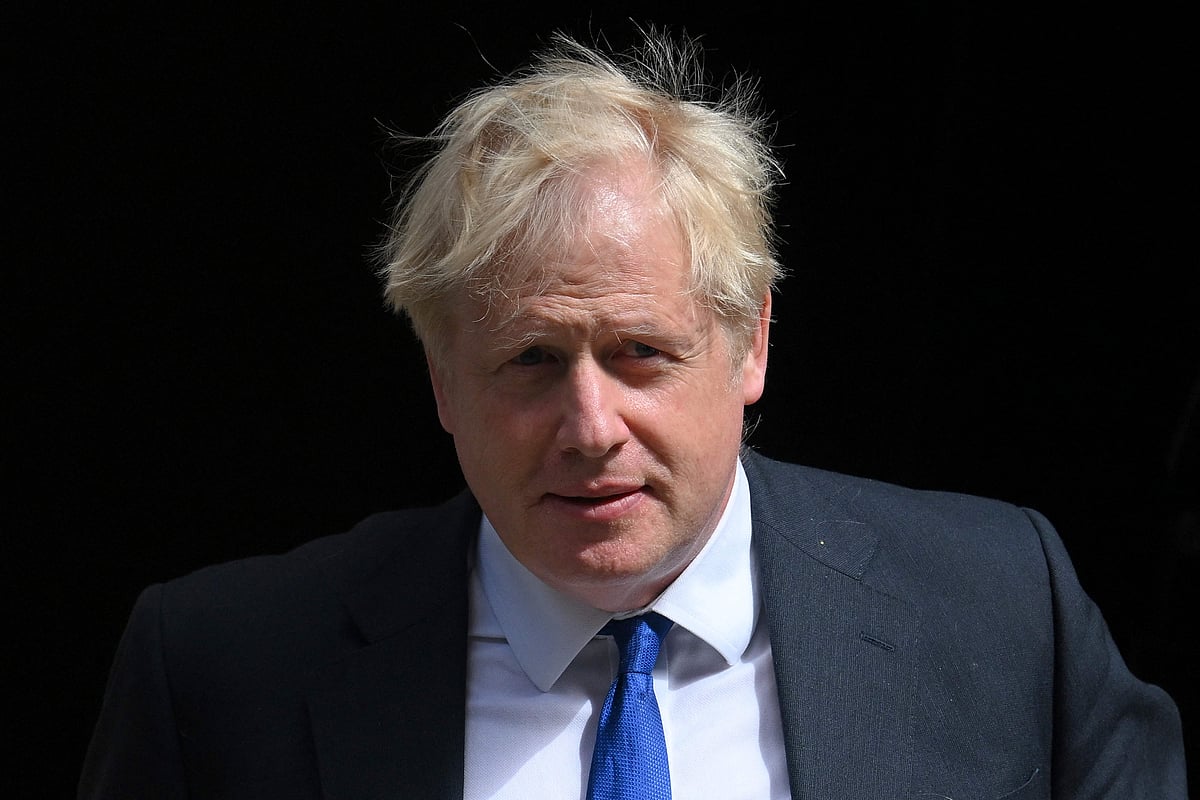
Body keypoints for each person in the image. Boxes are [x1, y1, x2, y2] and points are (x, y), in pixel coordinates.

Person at [79, 29, 1187, 799]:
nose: (590, 423)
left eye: (640, 352)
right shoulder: (227, 672)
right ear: (441, 381)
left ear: (750, 340)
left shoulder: (999, 607)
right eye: (529, 360)